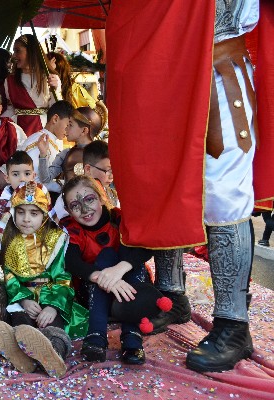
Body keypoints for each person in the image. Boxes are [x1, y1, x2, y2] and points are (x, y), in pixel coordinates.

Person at [106, 0, 269, 373]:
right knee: (163, 185)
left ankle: (233, 324)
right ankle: (172, 296)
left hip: (216, 74)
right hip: (160, 78)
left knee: (223, 197)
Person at [0, 181, 88, 377]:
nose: (26, 219)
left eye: (34, 213)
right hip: (24, 298)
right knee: (21, 323)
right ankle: (24, 357)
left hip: (51, 296)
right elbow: (9, 276)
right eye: (21, 212)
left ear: (44, 214)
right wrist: (24, 300)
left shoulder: (56, 239)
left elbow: (63, 278)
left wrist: (52, 307)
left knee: (53, 325)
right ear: (13, 212)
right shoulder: (9, 240)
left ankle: (55, 354)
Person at [61, 175, 153, 364]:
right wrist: (103, 277)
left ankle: (132, 337)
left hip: (130, 286)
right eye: (75, 205)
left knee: (124, 257)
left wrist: (119, 270)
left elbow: (145, 248)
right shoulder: (72, 229)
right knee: (106, 256)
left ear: (102, 197)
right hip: (94, 292)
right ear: (68, 211)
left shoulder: (119, 218)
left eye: (89, 199)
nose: (85, 210)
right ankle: (96, 334)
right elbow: (71, 262)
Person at [3, 34, 62, 136]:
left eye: (17, 51)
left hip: (44, 129)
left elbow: (56, 108)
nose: (14, 56)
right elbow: (11, 109)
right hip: (18, 131)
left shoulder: (49, 78)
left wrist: (56, 89)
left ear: (31, 52)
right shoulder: (9, 81)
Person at [39, 105, 108, 186]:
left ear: (84, 130)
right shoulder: (66, 153)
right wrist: (43, 154)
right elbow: (45, 178)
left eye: (70, 125)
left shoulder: (102, 155)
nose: (66, 128)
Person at [16, 100, 74, 195]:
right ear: (55, 119)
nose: (68, 130)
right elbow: (32, 179)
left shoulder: (50, 141)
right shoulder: (40, 142)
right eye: (67, 125)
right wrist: (61, 186)